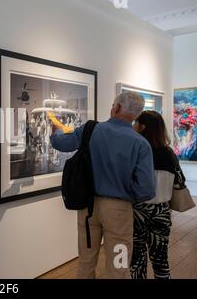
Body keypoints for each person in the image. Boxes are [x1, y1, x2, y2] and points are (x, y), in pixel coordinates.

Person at [50, 91, 156, 279]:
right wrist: (125, 191)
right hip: (119, 211)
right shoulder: (140, 143)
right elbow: (146, 189)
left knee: (85, 261)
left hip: (87, 207)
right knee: (119, 264)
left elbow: (62, 143)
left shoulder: (91, 130)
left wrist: (55, 130)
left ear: (117, 107)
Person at [131, 110, 180, 279]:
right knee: (161, 260)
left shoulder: (137, 152)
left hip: (137, 210)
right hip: (162, 211)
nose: (133, 125)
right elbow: (179, 181)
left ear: (142, 127)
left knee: (137, 259)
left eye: (136, 123)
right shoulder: (169, 153)